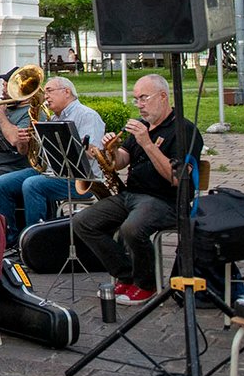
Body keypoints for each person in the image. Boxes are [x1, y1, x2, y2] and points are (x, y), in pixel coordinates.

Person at [71, 74, 202, 306]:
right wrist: (111, 151)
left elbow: (176, 178)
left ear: (163, 97)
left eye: (144, 98)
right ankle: (126, 275)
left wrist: (148, 143)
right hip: (131, 194)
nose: (139, 105)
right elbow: (122, 161)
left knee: (131, 228)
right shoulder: (142, 126)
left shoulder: (184, 130)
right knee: (83, 222)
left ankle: (146, 284)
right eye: (136, 99)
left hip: (166, 199)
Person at [0, 76, 108, 245]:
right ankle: (10, 240)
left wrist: (68, 144)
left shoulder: (87, 115)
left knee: (32, 184)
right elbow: (34, 155)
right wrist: (25, 142)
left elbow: (93, 152)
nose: (46, 96)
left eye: (49, 91)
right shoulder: (53, 119)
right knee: (2, 183)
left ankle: (35, 243)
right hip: (52, 172)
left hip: (81, 178)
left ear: (66, 92)